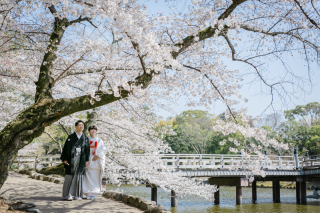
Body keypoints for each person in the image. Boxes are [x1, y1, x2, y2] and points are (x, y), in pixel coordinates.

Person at [60, 120, 90, 201]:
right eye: (79, 125)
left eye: (82, 125)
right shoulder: (70, 137)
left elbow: (87, 150)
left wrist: (87, 160)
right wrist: (65, 159)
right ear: (76, 127)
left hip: (81, 159)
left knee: (79, 176)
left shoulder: (85, 138)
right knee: (69, 176)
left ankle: (77, 195)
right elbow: (66, 149)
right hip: (71, 159)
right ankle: (68, 195)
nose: (81, 126)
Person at [83, 125, 107, 200]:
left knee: (95, 177)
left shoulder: (99, 140)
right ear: (89, 131)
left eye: (95, 130)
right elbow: (83, 150)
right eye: (92, 130)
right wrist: (85, 160)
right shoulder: (86, 139)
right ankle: (88, 193)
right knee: (88, 177)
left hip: (96, 160)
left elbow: (103, 150)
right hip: (88, 159)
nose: (93, 131)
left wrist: (98, 155)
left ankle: (94, 193)